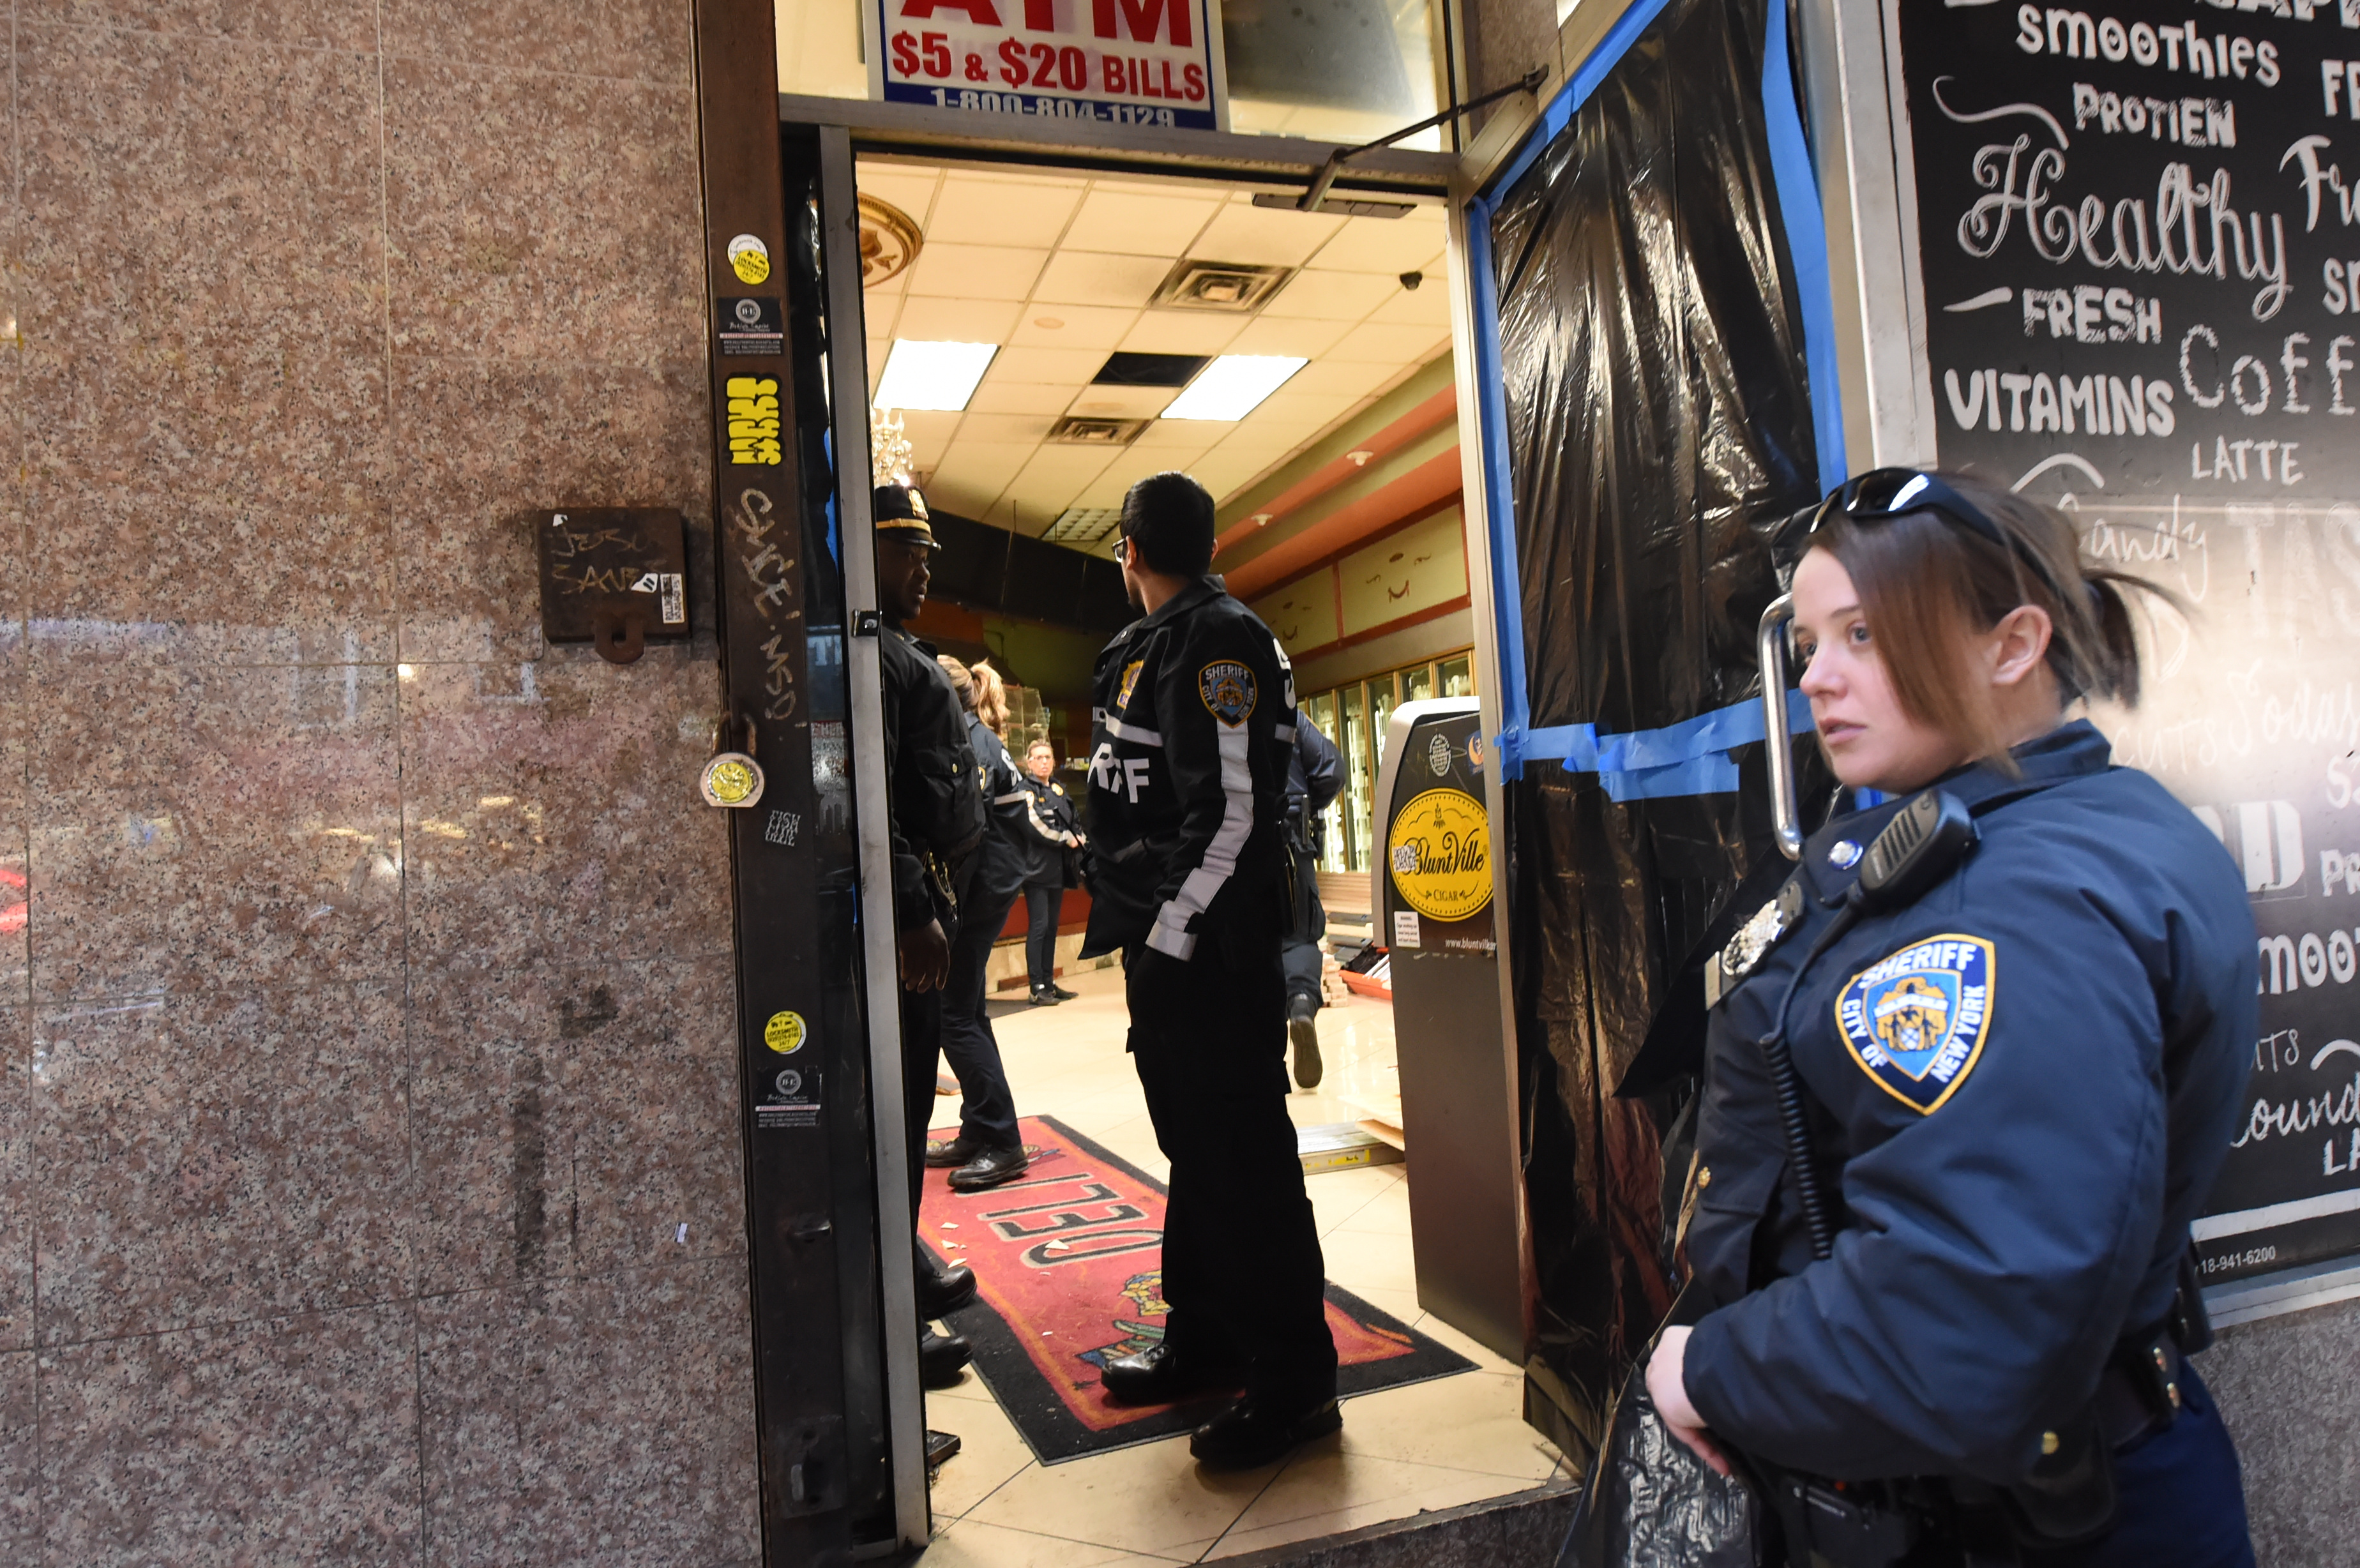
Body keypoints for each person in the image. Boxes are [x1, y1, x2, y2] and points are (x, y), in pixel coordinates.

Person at [1644, 469, 2257, 1566]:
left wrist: (1705, 1369)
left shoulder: (2006, 904)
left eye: (1865, 635)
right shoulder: (2096, 822)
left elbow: (1963, 1313)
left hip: (2014, 1517)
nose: (1817, 679)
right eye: (1811, 643)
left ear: (2012, 646)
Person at [1078, 471, 1339, 1470]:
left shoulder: (1217, 640)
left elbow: (1232, 815)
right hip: (1166, 943)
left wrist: (1172, 935)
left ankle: (1296, 1384)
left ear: (1128, 550)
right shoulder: (1148, 645)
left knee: (1246, 1166)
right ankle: (1208, 1334)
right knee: (1200, 1152)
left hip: (1209, 952)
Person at [871, 483, 990, 1409]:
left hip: (929, 903)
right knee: (894, 1113)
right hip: (900, 922)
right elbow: (872, 800)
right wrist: (915, 907)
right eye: (908, 550)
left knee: (909, 1115)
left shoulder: (896, 652)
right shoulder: (866, 658)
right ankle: (884, 1319)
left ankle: (899, 1267)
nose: (923, 568)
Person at [923, 658, 1032, 1191]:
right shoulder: (978, 735)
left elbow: (968, 836)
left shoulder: (966, 744)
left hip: (983, 886)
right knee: (967, 1009)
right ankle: (979, 1128)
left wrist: (947, 913)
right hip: (994, 880)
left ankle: (1004, 1141)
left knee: (952, 1016)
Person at [1281, 717, 1342, 1088]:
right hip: (1290, 841)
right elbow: (1331, 771)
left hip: (1227, 850)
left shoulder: (1204, 705)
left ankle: (1263, 1063)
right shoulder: (1287, 712)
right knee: (1300, 935)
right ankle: (1302, 1003)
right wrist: (1303, 804)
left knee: (1248, 949)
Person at [1016, 738, 1084, 1005]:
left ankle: (1048, 983)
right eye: (1039, 758)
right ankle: (1036, 987)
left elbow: (1073, 817)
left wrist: (1078, 835)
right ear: (1029, 762)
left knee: (1052, 927)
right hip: (1036, 869)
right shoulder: (1026, 790)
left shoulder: (1058, 788)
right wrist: (1064, 837)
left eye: (1048, 757)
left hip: (1057, 869)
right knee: (1040, 927)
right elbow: (1035, 825)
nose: (1044, 762)